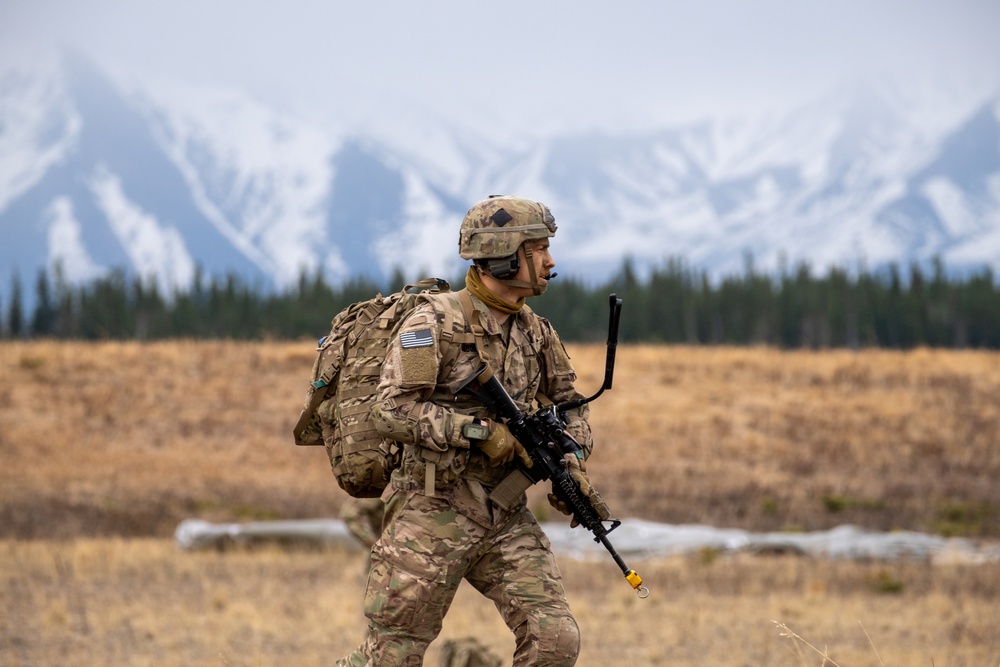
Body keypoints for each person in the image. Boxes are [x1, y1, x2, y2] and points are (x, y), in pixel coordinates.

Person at [336, 195, 596, 667]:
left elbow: (570, 405)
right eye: (538, 249)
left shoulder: (537, 331)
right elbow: (391, 408)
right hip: (433, 511)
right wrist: (481, 434)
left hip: (505, 512)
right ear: (504, 253)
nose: (550, 261)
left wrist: (571, 461)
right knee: (391, 655)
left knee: (555, 641)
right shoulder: (432, 322)